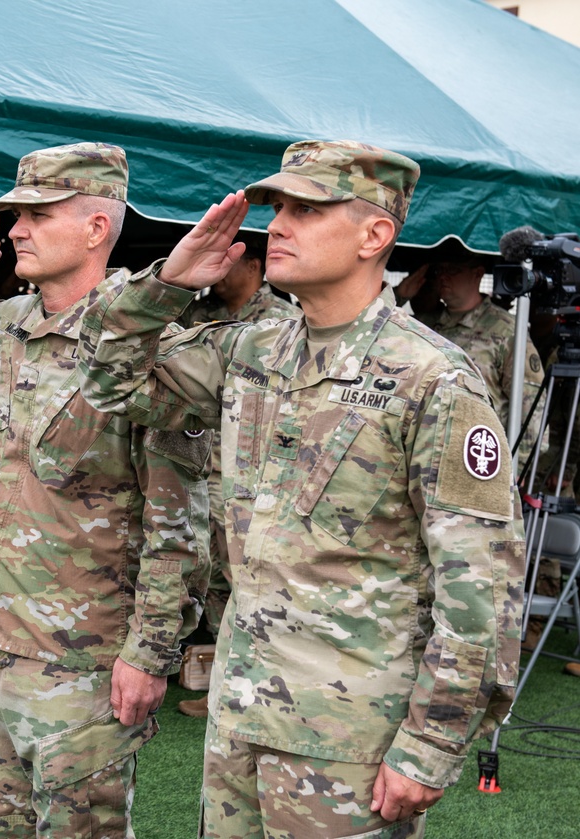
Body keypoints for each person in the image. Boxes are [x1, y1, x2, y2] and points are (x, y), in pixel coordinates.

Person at [78, 139, 525, 837]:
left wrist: (431, 745)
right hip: (240, 716)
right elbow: (111, 382)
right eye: (278, 206)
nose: (277, 224)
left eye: (306, 209)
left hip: (347, 740)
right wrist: (167, 281)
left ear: (375, 234)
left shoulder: (434, 380)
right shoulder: (254, 350)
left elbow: (482, 591)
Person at [0, 142, 210, 837]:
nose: (15, 229)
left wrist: (151, 651)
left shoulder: (148, 349)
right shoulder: (5, 325)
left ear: (97, 228)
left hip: (84, 657)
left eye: (37, 213)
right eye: (15, 214)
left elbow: (177, 518)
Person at [177, 240, 299, 718]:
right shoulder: (198, 312)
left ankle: (256, 686)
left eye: (231, 261)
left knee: (246, 574)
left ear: (254, 266)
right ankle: (221, 682)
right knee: (208, 574)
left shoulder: (280, 318)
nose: (218, 270)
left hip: (246, 470)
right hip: (194, 460)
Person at [399, 255, 546, 465]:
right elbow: (373, 328)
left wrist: (517, 467)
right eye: (440, 270)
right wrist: (398, 295)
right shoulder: (424, 324)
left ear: (477, 274)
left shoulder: (505, 329)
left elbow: (531, 405)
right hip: (421, 456)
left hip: (478, 460)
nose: (443, 277)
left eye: (453, 269)